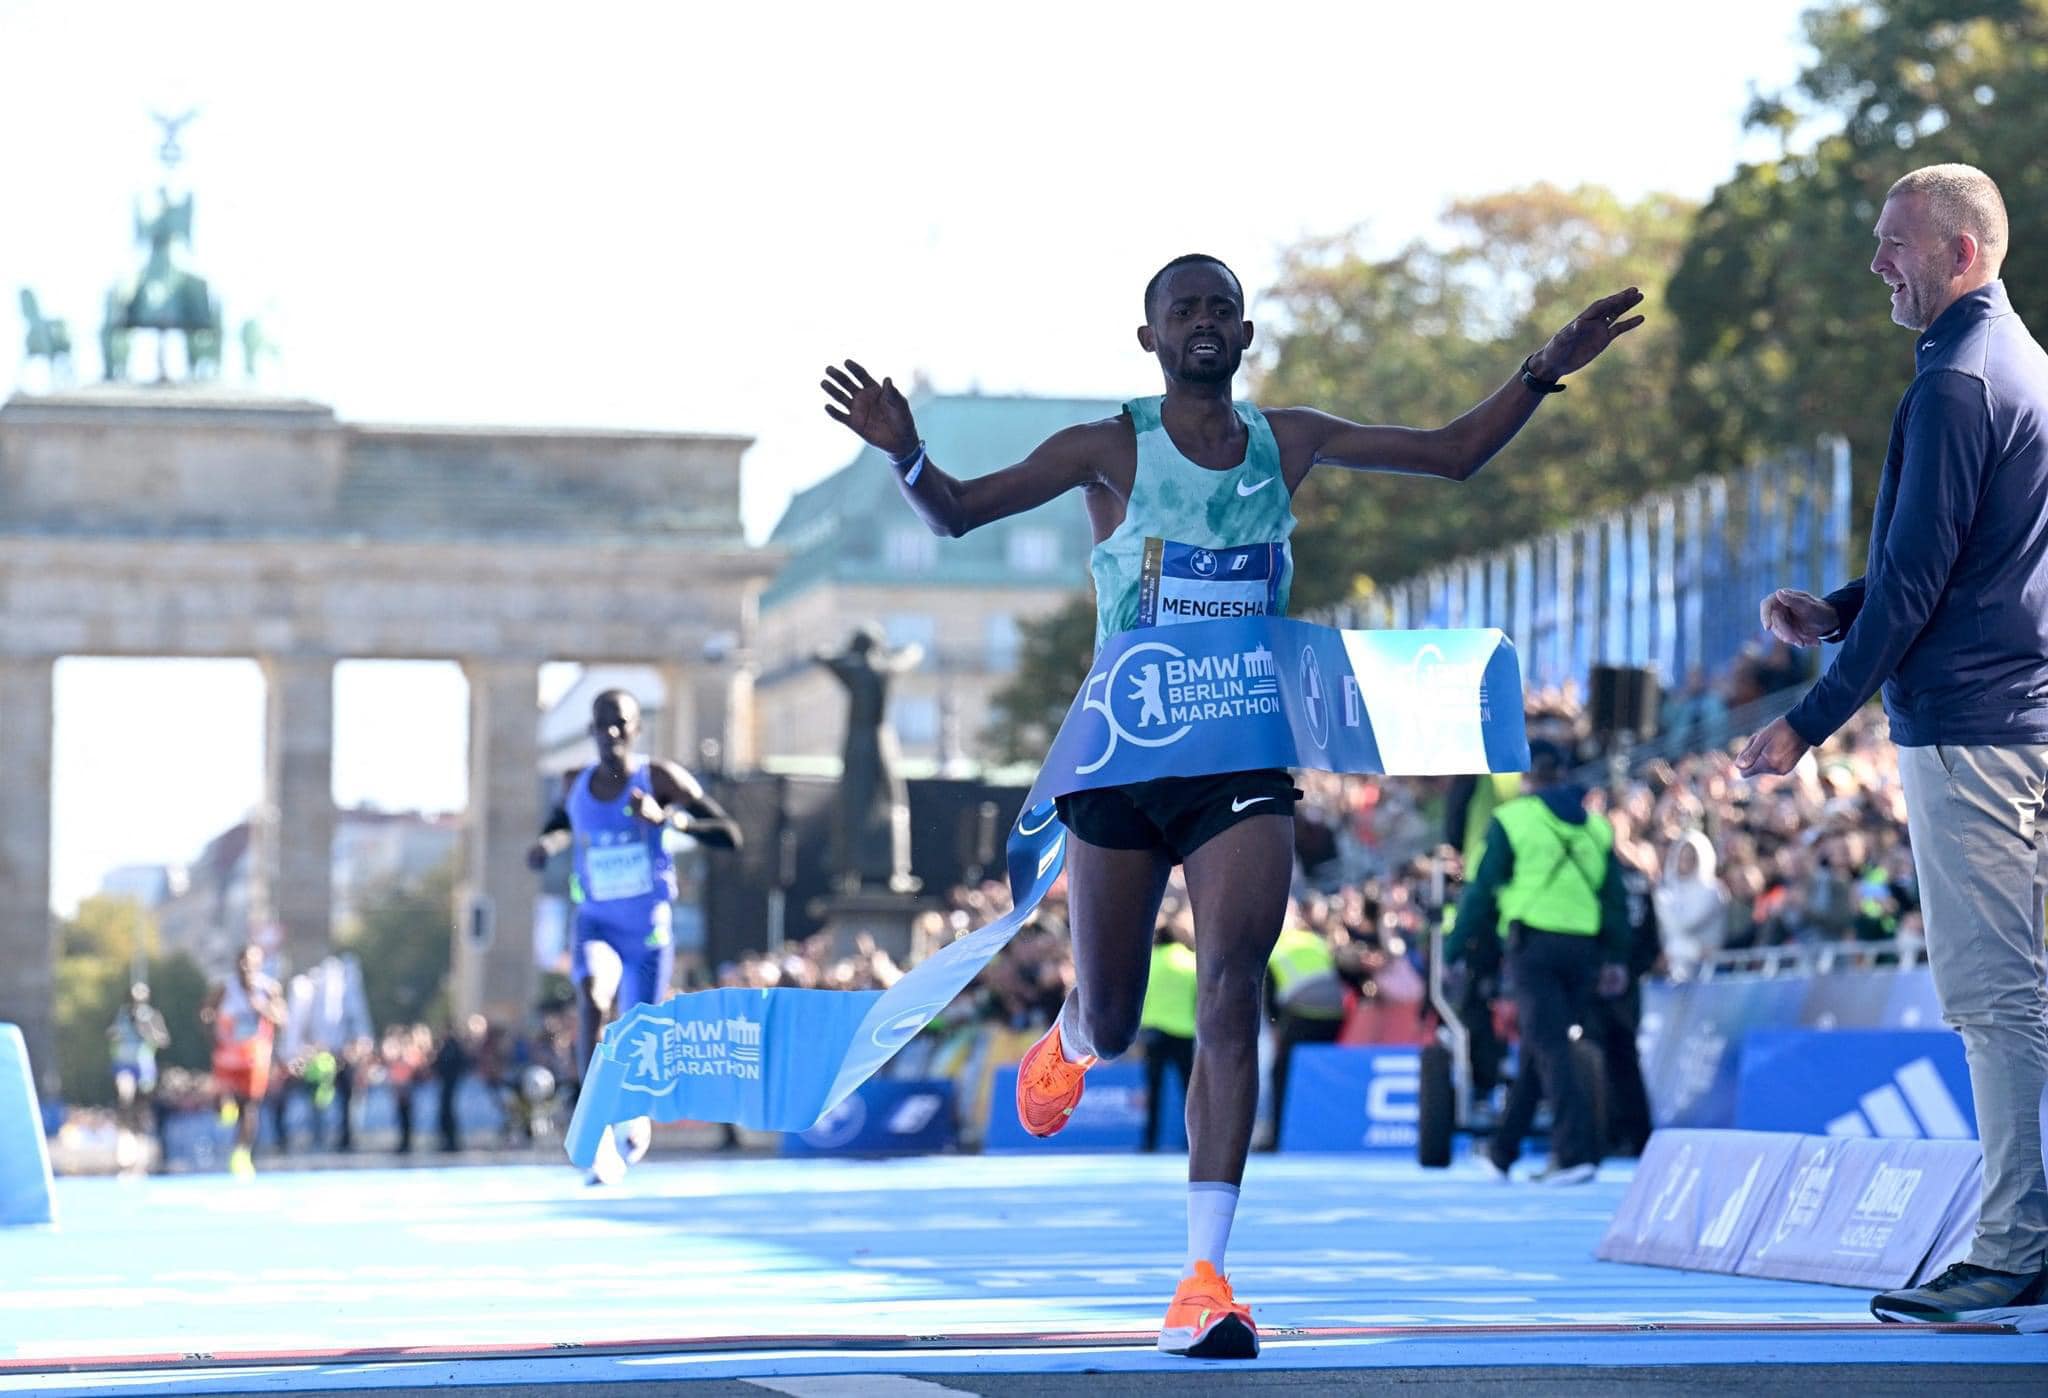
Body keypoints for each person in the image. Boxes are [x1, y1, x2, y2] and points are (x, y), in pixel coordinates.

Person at [822, 254, 1641, 1358]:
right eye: (1182, 311)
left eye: (1219, 308)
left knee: (1229, 987)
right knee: (1116, 1020)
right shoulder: (1104, 447)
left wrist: (1543, 369)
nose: (1202, 323)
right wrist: (909, 453)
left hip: (1244, 755)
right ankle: (1072, 1031)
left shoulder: (1284, 440)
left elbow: (1448, 458)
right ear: (1149, 337)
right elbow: (960, 516)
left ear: (1245, 332)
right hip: (1122, 756)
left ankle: (1204, 1277)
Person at [1739, 163, 2048, 1328]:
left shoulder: (1954, 382)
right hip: (2020, 710)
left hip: (1971, 732)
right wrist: (1840, 606)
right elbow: (1965, 557)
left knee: (1992, 999)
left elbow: (1925, 578)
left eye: (1893, 244)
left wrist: (1806, 721)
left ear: (1959, 252)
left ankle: (2013, 1245)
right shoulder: (2017, 365)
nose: (1876, 263)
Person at [528, 687, 742, 1181]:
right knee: (590, 995)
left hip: (646, 932)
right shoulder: (573, 783)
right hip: (596, 922)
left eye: (620, 723)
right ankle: (594, 1122)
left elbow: (730, 835)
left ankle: (632, 1111)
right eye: (602, 723)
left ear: (636, 729)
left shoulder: (660, 778)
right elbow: (560, 825)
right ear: (590, 731)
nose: (611, 733)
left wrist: (670, 818)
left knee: (634, 1030)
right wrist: (545, 844)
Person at [1446, 739, 1630, 1185]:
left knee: (1549, 1046)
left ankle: (1575, 1154)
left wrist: (1456, 947)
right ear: (1564, 774)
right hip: (1584, 948)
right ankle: (1502, 1153)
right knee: (1536, 1049)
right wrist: (1617, 957)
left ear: (1529, 778)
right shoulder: (1597, 827)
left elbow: (1481, 890)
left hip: (1534, 947)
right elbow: (1614, 900)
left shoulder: (1513, 819)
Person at [201, 943, 286, 1179]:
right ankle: (225, 1108)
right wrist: (213, 1035)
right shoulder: (224, 989)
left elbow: (282, 1020)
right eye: (242, 962)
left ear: (260, 965)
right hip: (227, 1053)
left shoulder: (269, 989)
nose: (246, 968)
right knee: (223, 1099)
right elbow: (205, 1012)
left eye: (251, 963)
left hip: (254, 1055)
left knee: (249, 1105)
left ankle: (241, 1153)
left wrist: (264, 1009)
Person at [1138, 921, 1197, 1153]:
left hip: (1155, 1032)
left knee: (1154, 1091)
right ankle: (1192, 1142)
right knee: (1188, 1091)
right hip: (1184, 1031)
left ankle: (1149, 1142)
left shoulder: (1150, 961)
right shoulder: (1191, 962)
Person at [107, 983, 170, 1174]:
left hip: (143, 1066)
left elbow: (163, 1039)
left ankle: (141, 1141)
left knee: (141, 1107)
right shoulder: (122, 1015)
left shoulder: (151, 1016)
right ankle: (125, 1140)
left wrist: (146, 1030)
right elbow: (111, 1033)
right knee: (124, 1097)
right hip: (124, 1064)